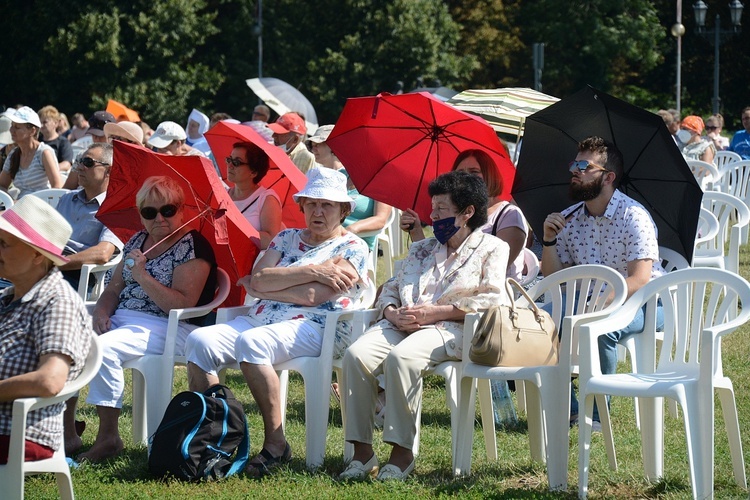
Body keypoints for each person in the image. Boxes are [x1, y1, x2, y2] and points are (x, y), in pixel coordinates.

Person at [185, 167, 369, 477]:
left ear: (344, 209)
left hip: (318, 327)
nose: (318, 211)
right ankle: (217, 435)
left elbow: (313, 296)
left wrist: (276, 283)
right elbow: (258, 280)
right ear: (302, 206)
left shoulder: (352, 247)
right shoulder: (286, 237)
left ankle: (276, 443)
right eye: (311, 203)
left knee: (251, 343)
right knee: (198, 341)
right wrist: (314, 270)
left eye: (327, 204)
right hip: (262, 319)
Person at [339, 170, 510, 481]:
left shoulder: (491, 248)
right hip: (401, 322)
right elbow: (391, 286)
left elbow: (492, 298)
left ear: (468, 212)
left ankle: (402, 454)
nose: (433, 216)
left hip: (450, 328)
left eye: (442, 210)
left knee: (402, 358)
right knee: (356, 355)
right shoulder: (422, 248)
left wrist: (435, 312)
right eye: (432, 208)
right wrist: (391, 313)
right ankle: (362, 453)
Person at [73, 176, 217, 462]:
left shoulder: (193, 245)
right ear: (140, 215)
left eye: (168, 210)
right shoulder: (138, 241)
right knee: (63, 339)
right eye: (149, 212)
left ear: (182, 209)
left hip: (171, 326)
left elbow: (180, 304)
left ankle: (109, 438)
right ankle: (66, 433)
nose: (159, 218)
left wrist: (142, 275)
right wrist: (101, 311)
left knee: (102, 349)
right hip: (125, 320)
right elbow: (114, 288)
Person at [541, 136, 664, 431]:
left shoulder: (634, 216)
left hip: (647, 302)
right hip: (588, 302)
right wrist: (548, 240)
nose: (575, 170)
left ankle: (597, 416)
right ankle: (571, 412)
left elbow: (639, 278)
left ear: (608, 177)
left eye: (584, 165)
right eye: (574, 163)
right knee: (539, 323)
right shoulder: (568, 220)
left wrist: (597, 305)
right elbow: (553, 278)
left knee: (599, 331)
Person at [0, 195, 92, 464]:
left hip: (21, 432)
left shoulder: (57, 302)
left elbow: (50, 380)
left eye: (4, 244)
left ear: (37, 254)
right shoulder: (10, 296)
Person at [401, 149, 527, 281]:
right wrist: (416, 231)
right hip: (448, 281)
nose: (467, 178)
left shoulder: (509, 215)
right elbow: (434, 260)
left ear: (490, 175)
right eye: (460, 173)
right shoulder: (452, 213)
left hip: (488, 289)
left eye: (474, 172)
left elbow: (494, 268)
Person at [309, 124, 391, 254]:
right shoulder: (340, 176)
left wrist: (351, 230)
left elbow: (380, 220)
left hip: (355, 243)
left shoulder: (379, 181)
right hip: (325, 238)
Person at [55, 143, 124, 291]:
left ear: (109, 171)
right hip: (47, 265)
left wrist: (55, 263)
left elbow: (103, 253)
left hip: (78, 274)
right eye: (79, 161)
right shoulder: (67, 198)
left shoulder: (115, 209)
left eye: (88, 163)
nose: (79, 167)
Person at [225, 141, 282, 249]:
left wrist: (237, 229)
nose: (230, 165)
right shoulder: (223, 194)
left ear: (254, 172)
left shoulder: (267, 199)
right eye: (229, 159)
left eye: (237, 162)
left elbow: (272, 241)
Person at [0, 106, 63, 199]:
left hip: (41, 205)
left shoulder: (44, 153)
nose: (11, 130)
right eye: (12, 126)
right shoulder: (14, 155)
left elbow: (58, 187)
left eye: (17, 127)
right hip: (20, 206)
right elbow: (2, 185)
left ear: (32, 131)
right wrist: (10, 201)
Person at [64, 111, 117, 190]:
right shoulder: (82, 155)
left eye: (100, 135)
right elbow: (68, 187)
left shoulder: (119, 158)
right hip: (80, 198)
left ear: (112, 135)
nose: (96, 139)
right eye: (93, 135)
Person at [38, 105, 75, 174]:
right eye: (40, 122)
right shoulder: (37, 141)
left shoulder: (63, 142)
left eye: (45, 122)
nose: (41, 125)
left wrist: (47, 170)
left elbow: (67, 164)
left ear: (56, 123)